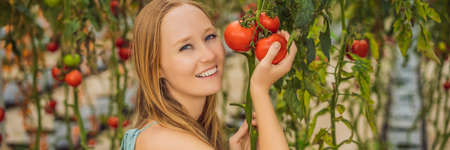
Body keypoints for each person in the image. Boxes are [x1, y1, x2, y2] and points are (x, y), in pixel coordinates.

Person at [120, 0, 297, 150]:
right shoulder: (169, 142)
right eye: (186, 47)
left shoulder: (161, 133)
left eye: (210, 37)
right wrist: (259, 90)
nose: (209, 55)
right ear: (156, 68)